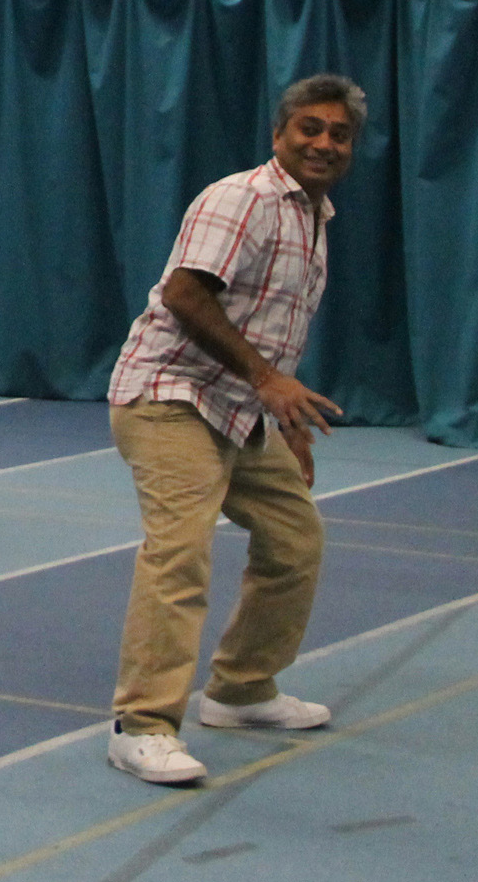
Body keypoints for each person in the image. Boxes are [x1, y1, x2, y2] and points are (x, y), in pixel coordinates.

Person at [103, 74, 362, 786]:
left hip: (237, 407)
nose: (324, 143)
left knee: (294, 537)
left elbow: (275, 322)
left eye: (339, 134)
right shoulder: (241, 199)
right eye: (310, 128)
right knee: (180, 553)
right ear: (280, 135)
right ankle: (142, 725)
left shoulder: (314, 215)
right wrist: (266, 381)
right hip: (167, 395)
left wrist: (282, 410)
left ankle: (241, 690)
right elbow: (187, 294)